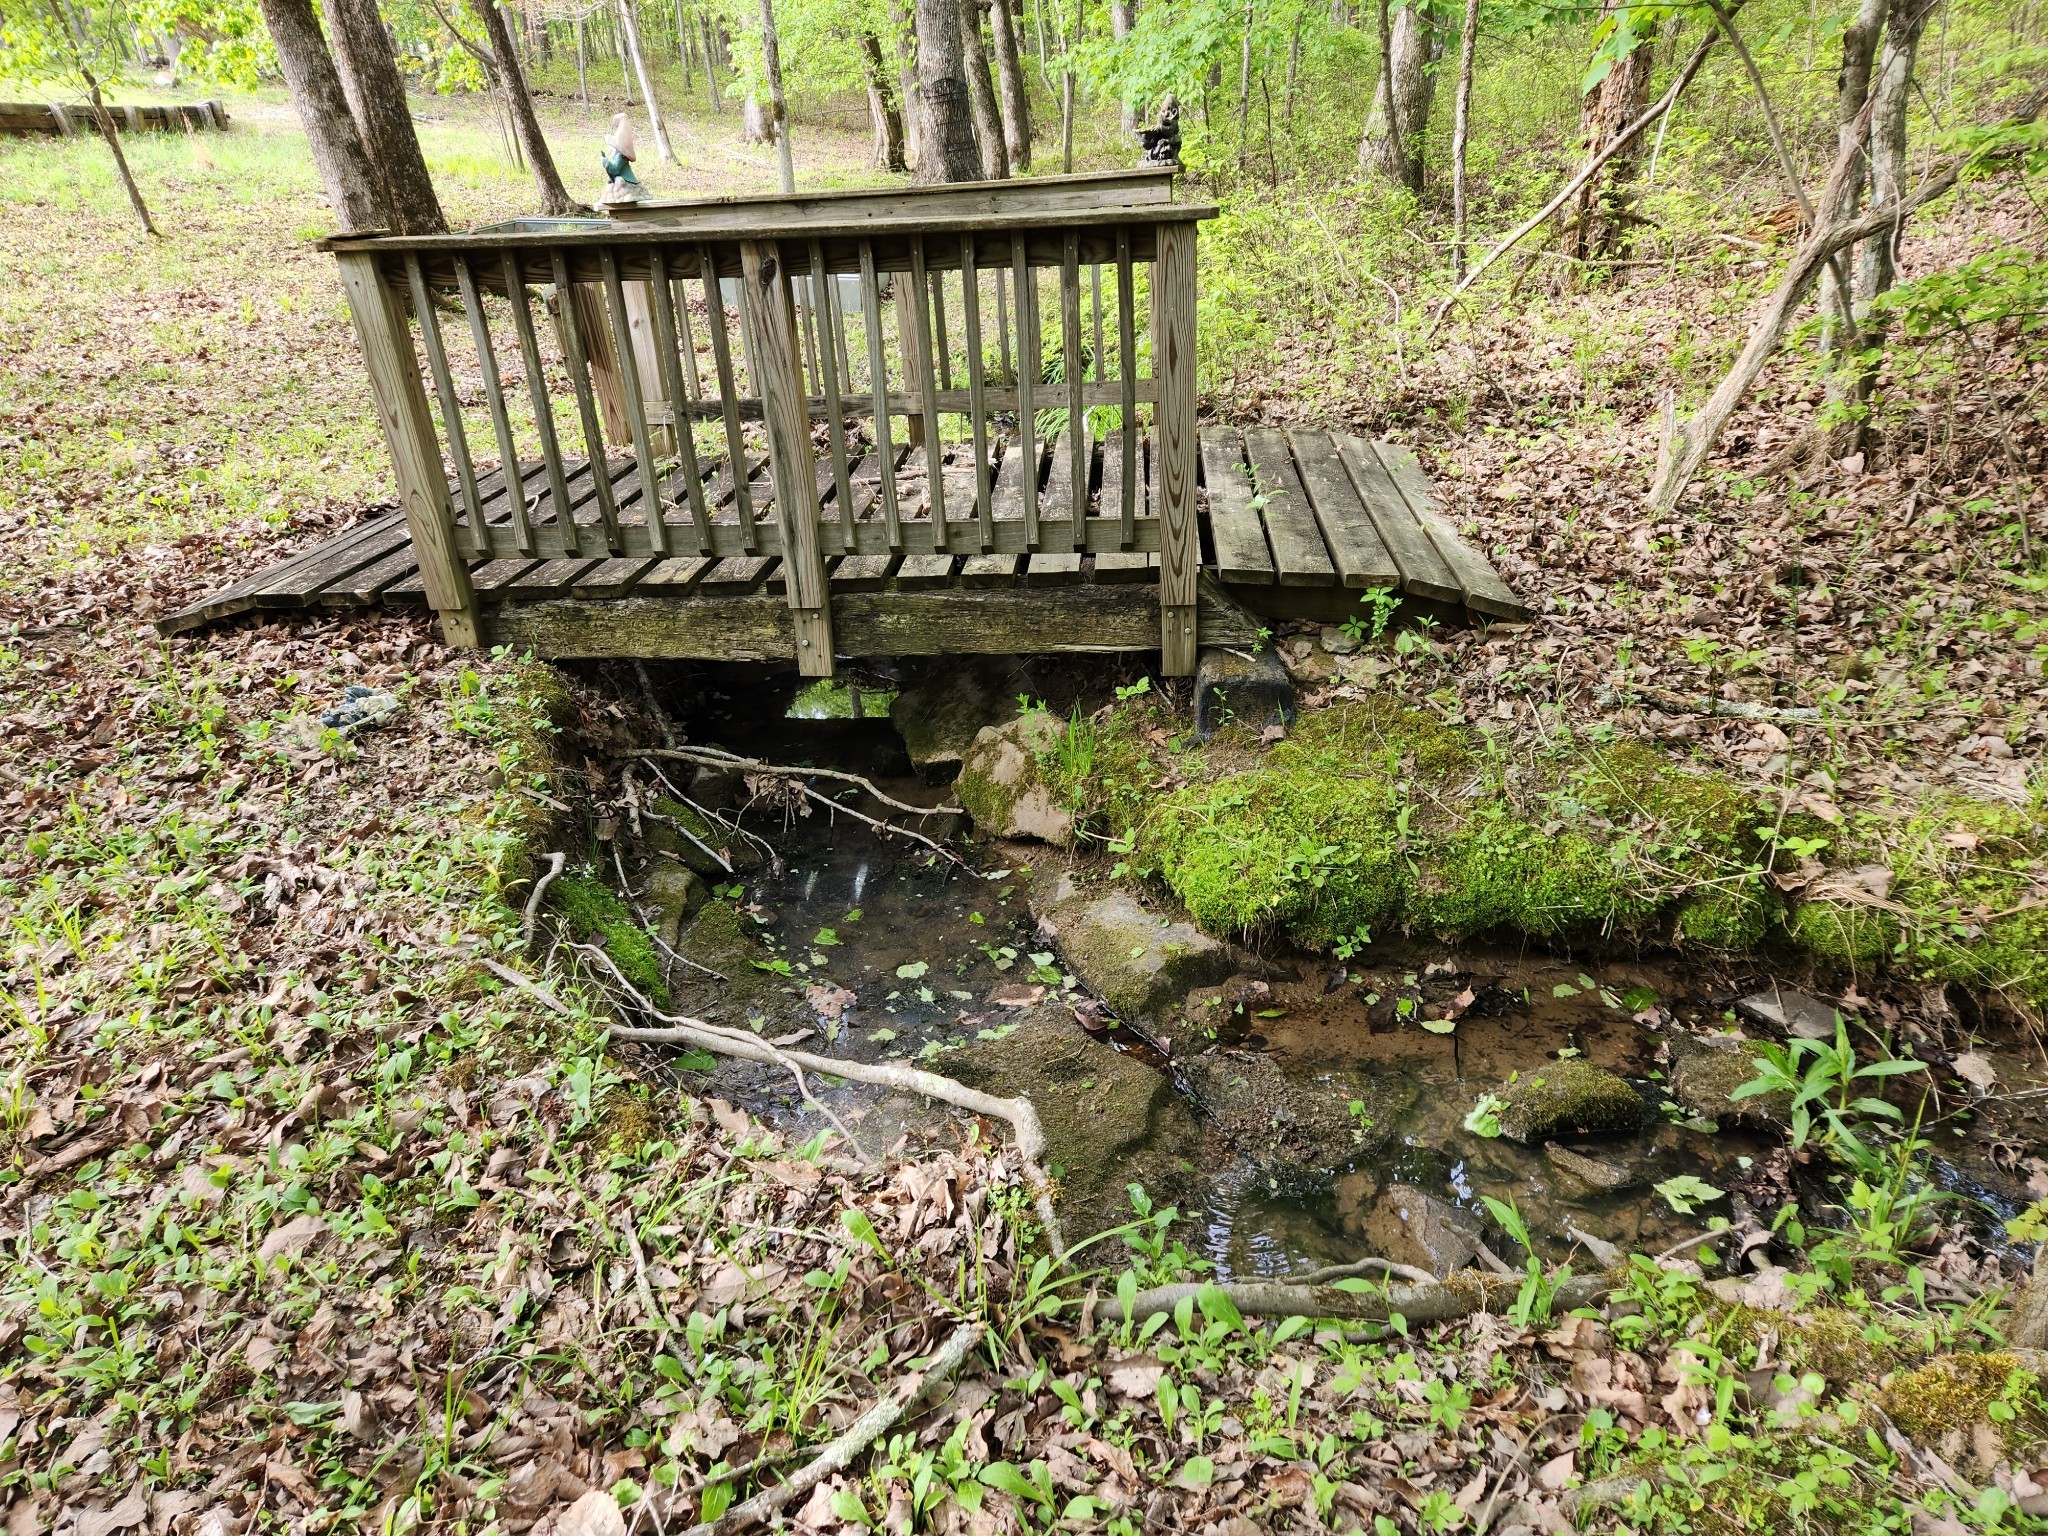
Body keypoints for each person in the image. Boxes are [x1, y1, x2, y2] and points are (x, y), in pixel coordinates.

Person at [601, 114, 650, 204]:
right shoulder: (617, 156)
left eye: (612, 147)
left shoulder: (620, 157)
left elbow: (615, 169)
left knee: (619, 180)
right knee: (612, 183)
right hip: (620, 178)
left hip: (627, 178)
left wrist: (606, 163)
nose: (610, 150)